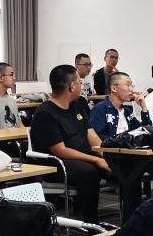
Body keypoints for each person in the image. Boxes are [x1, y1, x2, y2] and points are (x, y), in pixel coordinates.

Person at [29, 65, 110, 223]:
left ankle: (131, 217)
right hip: (57, 163)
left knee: (123, 165)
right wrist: (96, 160)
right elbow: (60, 151)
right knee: (89, 171)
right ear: (72, 86)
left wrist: (106, 155)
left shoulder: (77, 105)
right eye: (79, 82)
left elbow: (91, 134)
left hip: (83, 155)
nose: (81, 85)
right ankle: (91, 223)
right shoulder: (45, 113)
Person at [90, 72, 152, 139]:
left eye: (132, 85)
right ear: (114, 88)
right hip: (111, 146)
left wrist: (144, 108)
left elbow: (145, 132)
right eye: (128, 85)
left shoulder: (127, 111)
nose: (131, 89)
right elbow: (95, 137)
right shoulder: (100, 108)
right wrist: (121, 141)